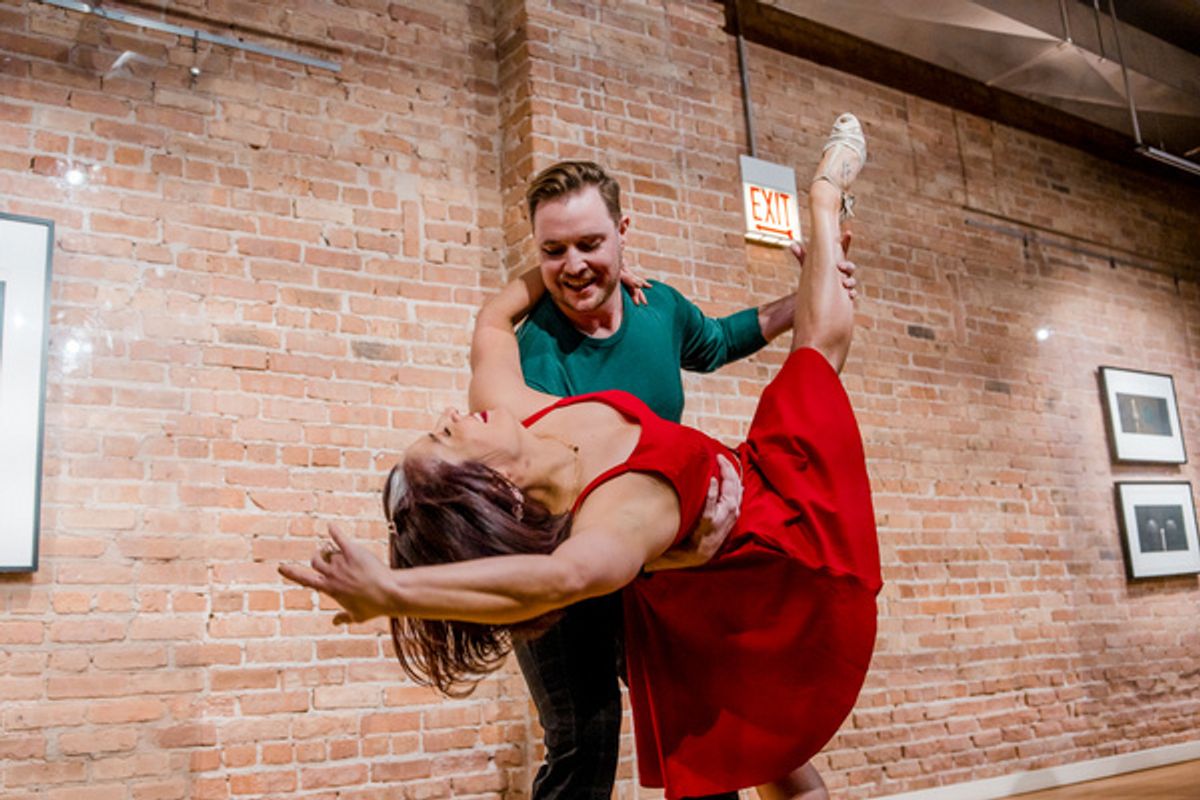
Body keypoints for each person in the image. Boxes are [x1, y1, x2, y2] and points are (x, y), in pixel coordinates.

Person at [281, 113, 879, 800]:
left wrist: (577, 268)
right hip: (758, 557)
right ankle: (825, 198)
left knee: (769, 764)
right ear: (491, 482)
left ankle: (826, 201)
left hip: (743, 495)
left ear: (622, 236)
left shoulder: (515, 405)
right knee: (638, 741)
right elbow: (566, 575)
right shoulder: (614, 503)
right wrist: (391, 593)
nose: (450, 414)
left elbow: (489, 322)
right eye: (445, 436)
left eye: (589, 243)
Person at [504, 157, 857, 800]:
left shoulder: (656, 307)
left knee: (715, 727)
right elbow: (569, 502)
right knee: (585, 743)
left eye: (590, 244)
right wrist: (671, 558)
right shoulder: (538, 350)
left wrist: (809, 294)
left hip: (659, 566)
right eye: (553, 251)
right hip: (568, 563)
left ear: (623, 232)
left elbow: (717, 341)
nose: (574, 265)